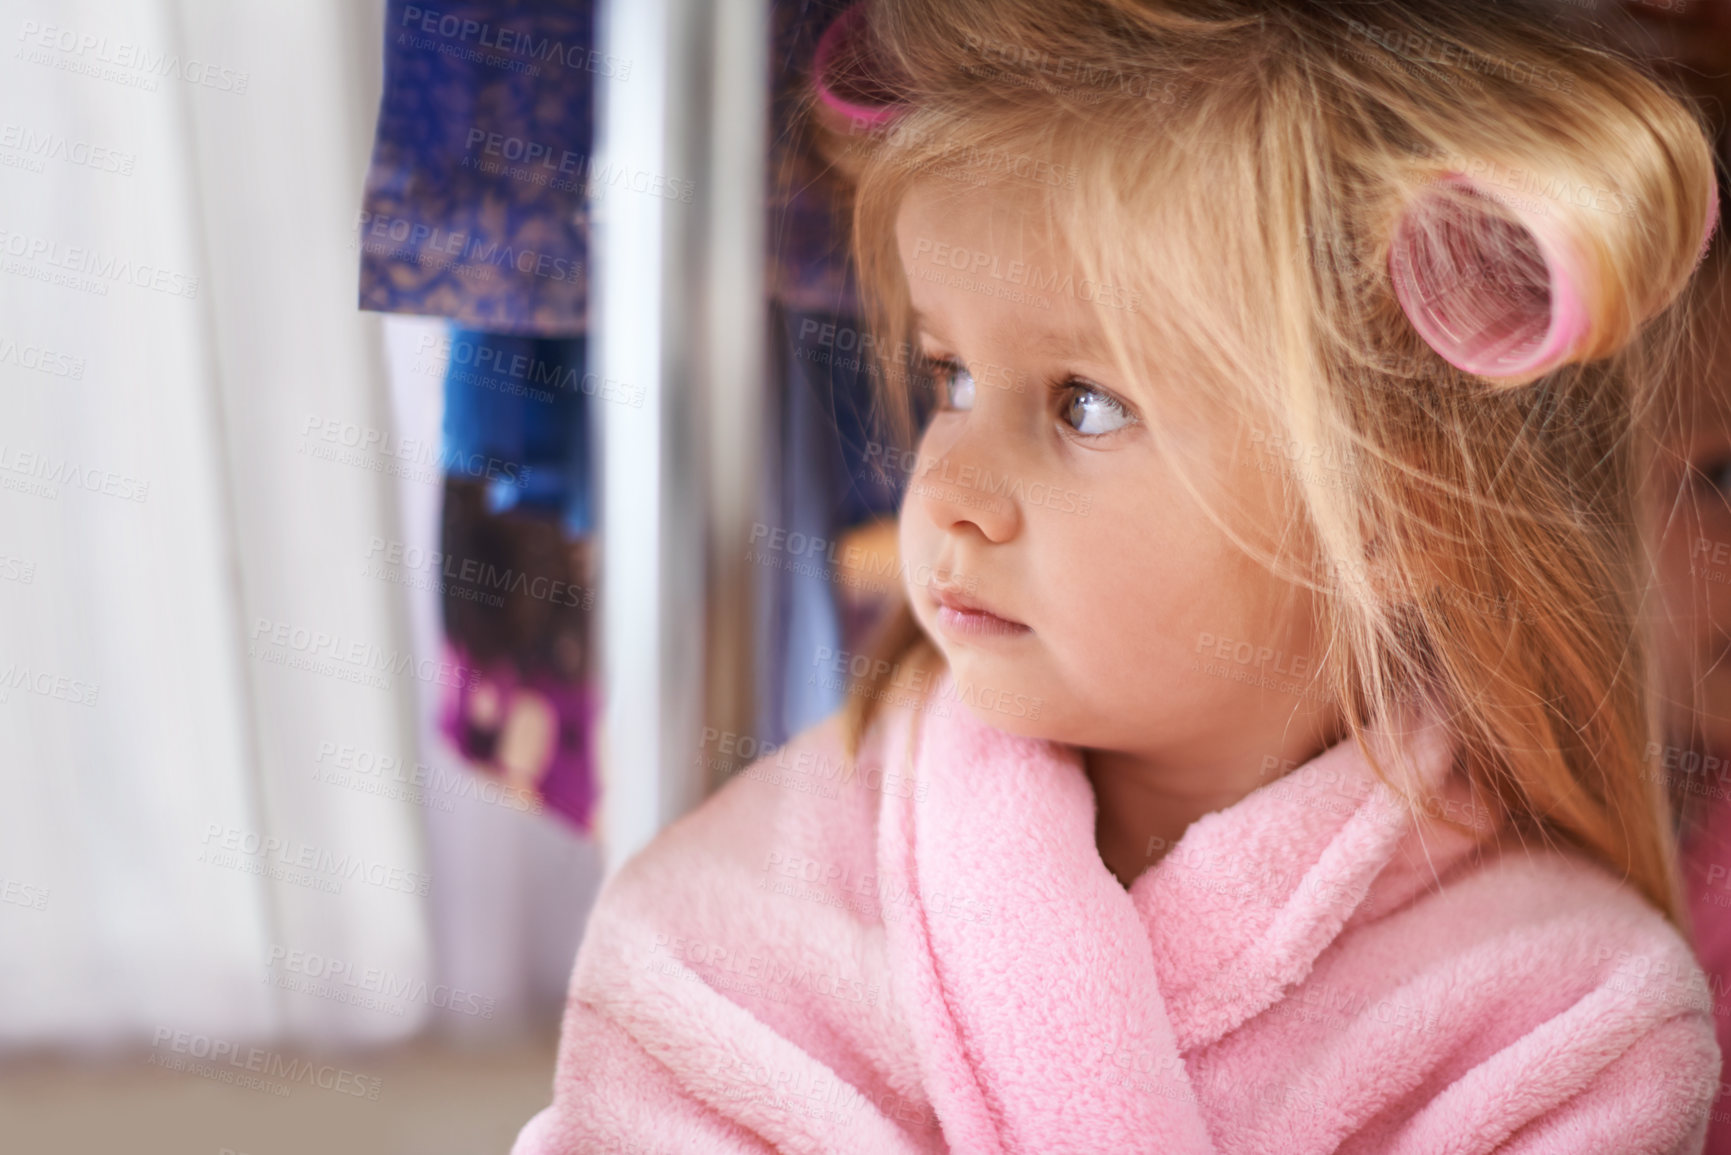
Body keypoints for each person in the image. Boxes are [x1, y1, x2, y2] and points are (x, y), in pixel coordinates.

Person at [515, 2, 1724, 1150]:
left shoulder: (1562, 1018)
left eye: (1086, 405)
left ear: (1404, 511)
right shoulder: (737, 925)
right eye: (953, 380)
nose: (949, 493)